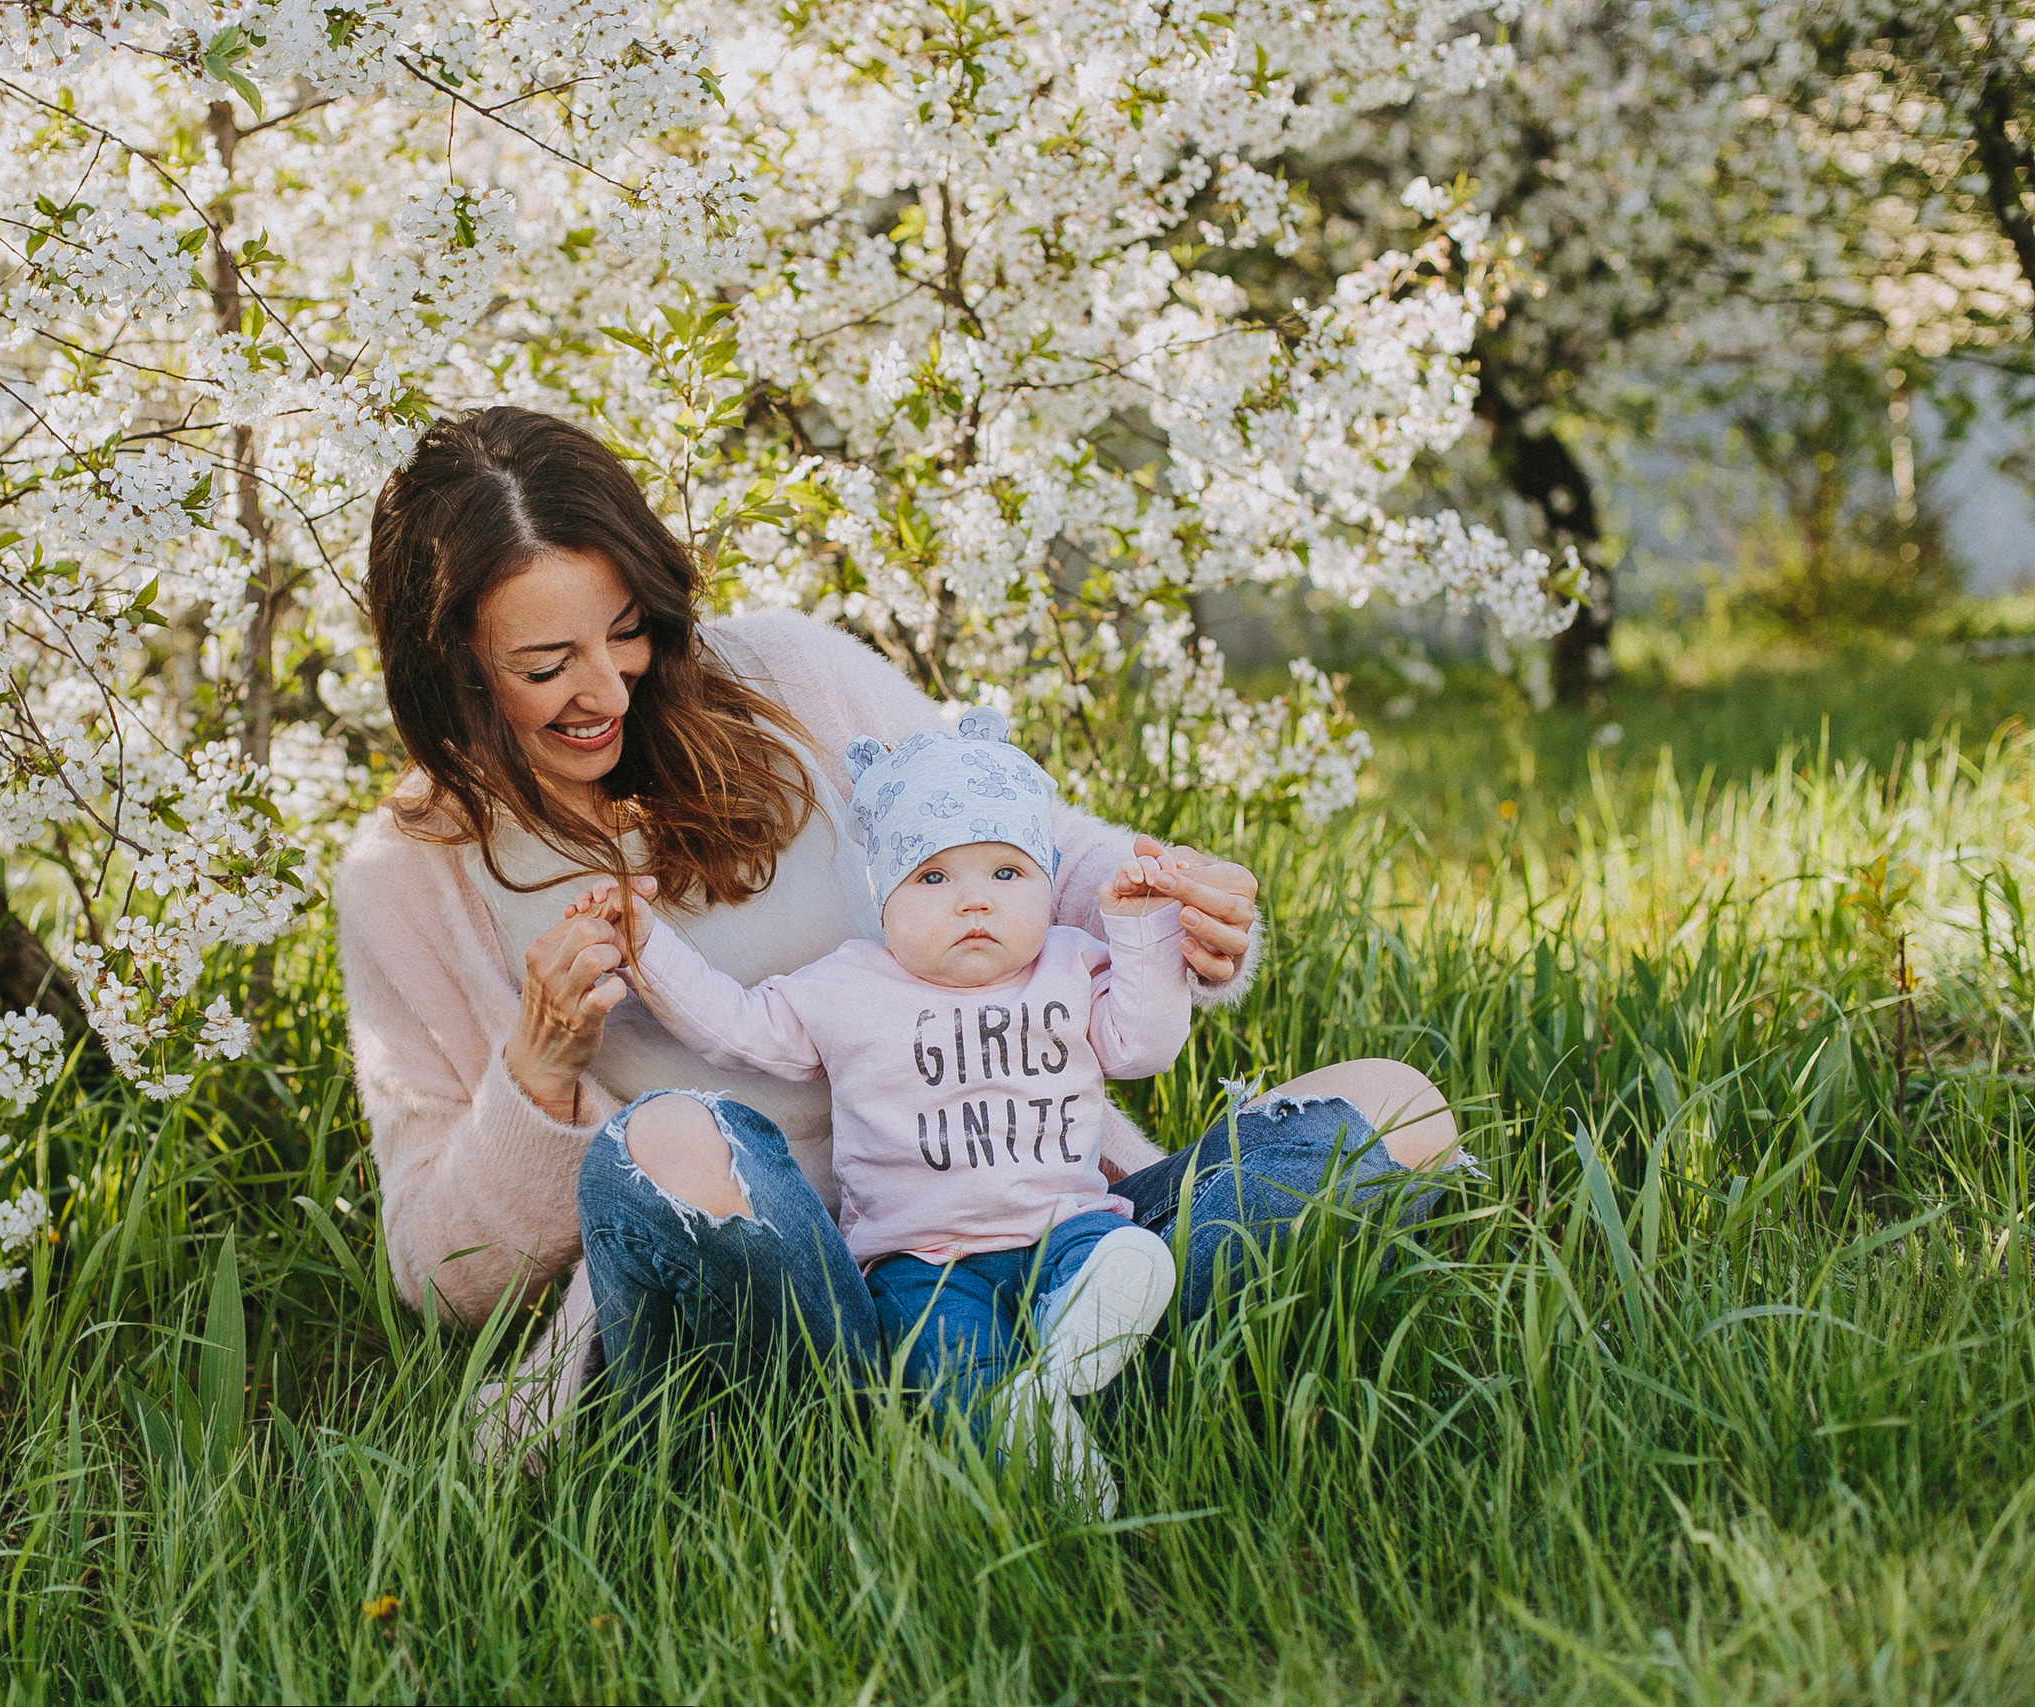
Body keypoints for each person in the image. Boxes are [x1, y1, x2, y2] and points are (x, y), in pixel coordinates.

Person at [333, 405, 1466, 1466]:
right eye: (542, 667)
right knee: (676, 1139)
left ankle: (997, 1381)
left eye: (626, 633)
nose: (606, 692)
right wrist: (537, 1073)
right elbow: (444, 1277)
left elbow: (1025, 847)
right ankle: (929, 1393)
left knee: (1394, 1108)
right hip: (773, 1281)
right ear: (449, 674)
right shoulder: (409, 878)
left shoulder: (786, 677)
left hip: (1019, 1219)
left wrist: (1162, 902)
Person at [613, 710, 1196, 1513]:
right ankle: (1034, 1436)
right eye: (933, 877)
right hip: (923, 1263)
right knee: (950, 1366)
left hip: (1066, 1227)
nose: (974, 903)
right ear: (884, 899)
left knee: (1118, 1253)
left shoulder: (1069, 963)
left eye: (1006, 873)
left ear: (1046, 884)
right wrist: (643, 944)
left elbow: (1145, 1043)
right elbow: (738, 1027)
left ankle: (1085, 1327)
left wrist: (1141, 927)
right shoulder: (849, 987)